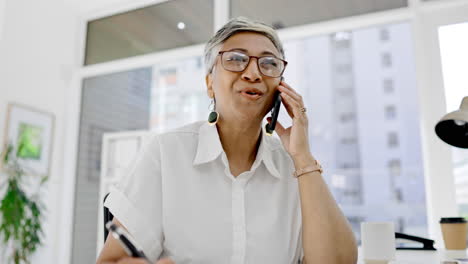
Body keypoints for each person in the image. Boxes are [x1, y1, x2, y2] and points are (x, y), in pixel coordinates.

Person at [96, 16, 358, 264]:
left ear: (281, 87)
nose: (253, 73)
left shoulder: (295, 169)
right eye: (235, 59)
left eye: (268, 63)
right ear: (210, 83)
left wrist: (303, 158)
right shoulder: (166, 153)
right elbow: (111, 260)